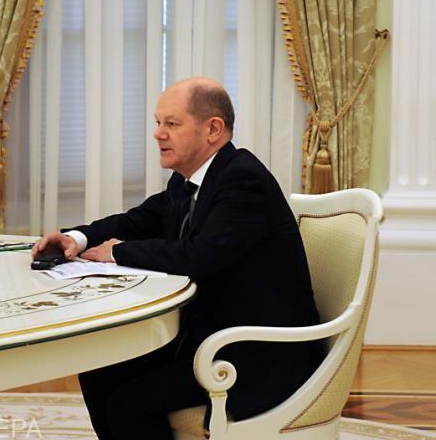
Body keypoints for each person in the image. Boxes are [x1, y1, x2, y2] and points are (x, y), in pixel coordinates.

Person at [32, 77, 325, 440]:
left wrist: (115, 252)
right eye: (158, 122)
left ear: (213, 129)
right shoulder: (190, 179)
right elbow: (139, 220)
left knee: (130, 403)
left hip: (259, 354)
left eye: (171, 123)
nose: (158, 134)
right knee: (98, 369)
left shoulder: (243, 180)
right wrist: (76, 238)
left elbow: (199, 255)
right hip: (208, 336)